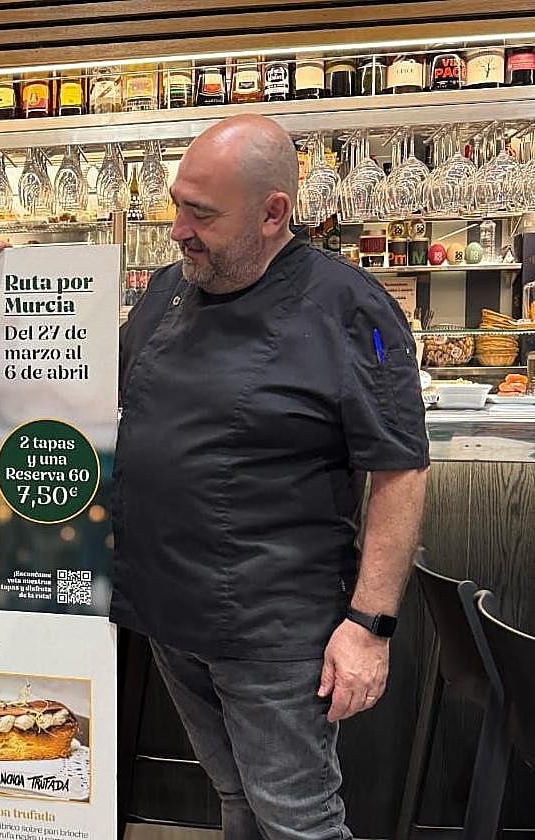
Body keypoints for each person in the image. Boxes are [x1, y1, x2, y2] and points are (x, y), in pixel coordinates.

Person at [111, 114, 429, 839]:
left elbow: (400, 470)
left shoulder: (353, 309)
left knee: (297, 819)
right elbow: (80, 383)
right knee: (235, 797)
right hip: (167, 608)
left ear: (273, 213)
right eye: (177, 205)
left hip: (272, 626)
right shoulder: (166, 291)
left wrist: (369, 627)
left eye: (202, 214)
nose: (179, 230)